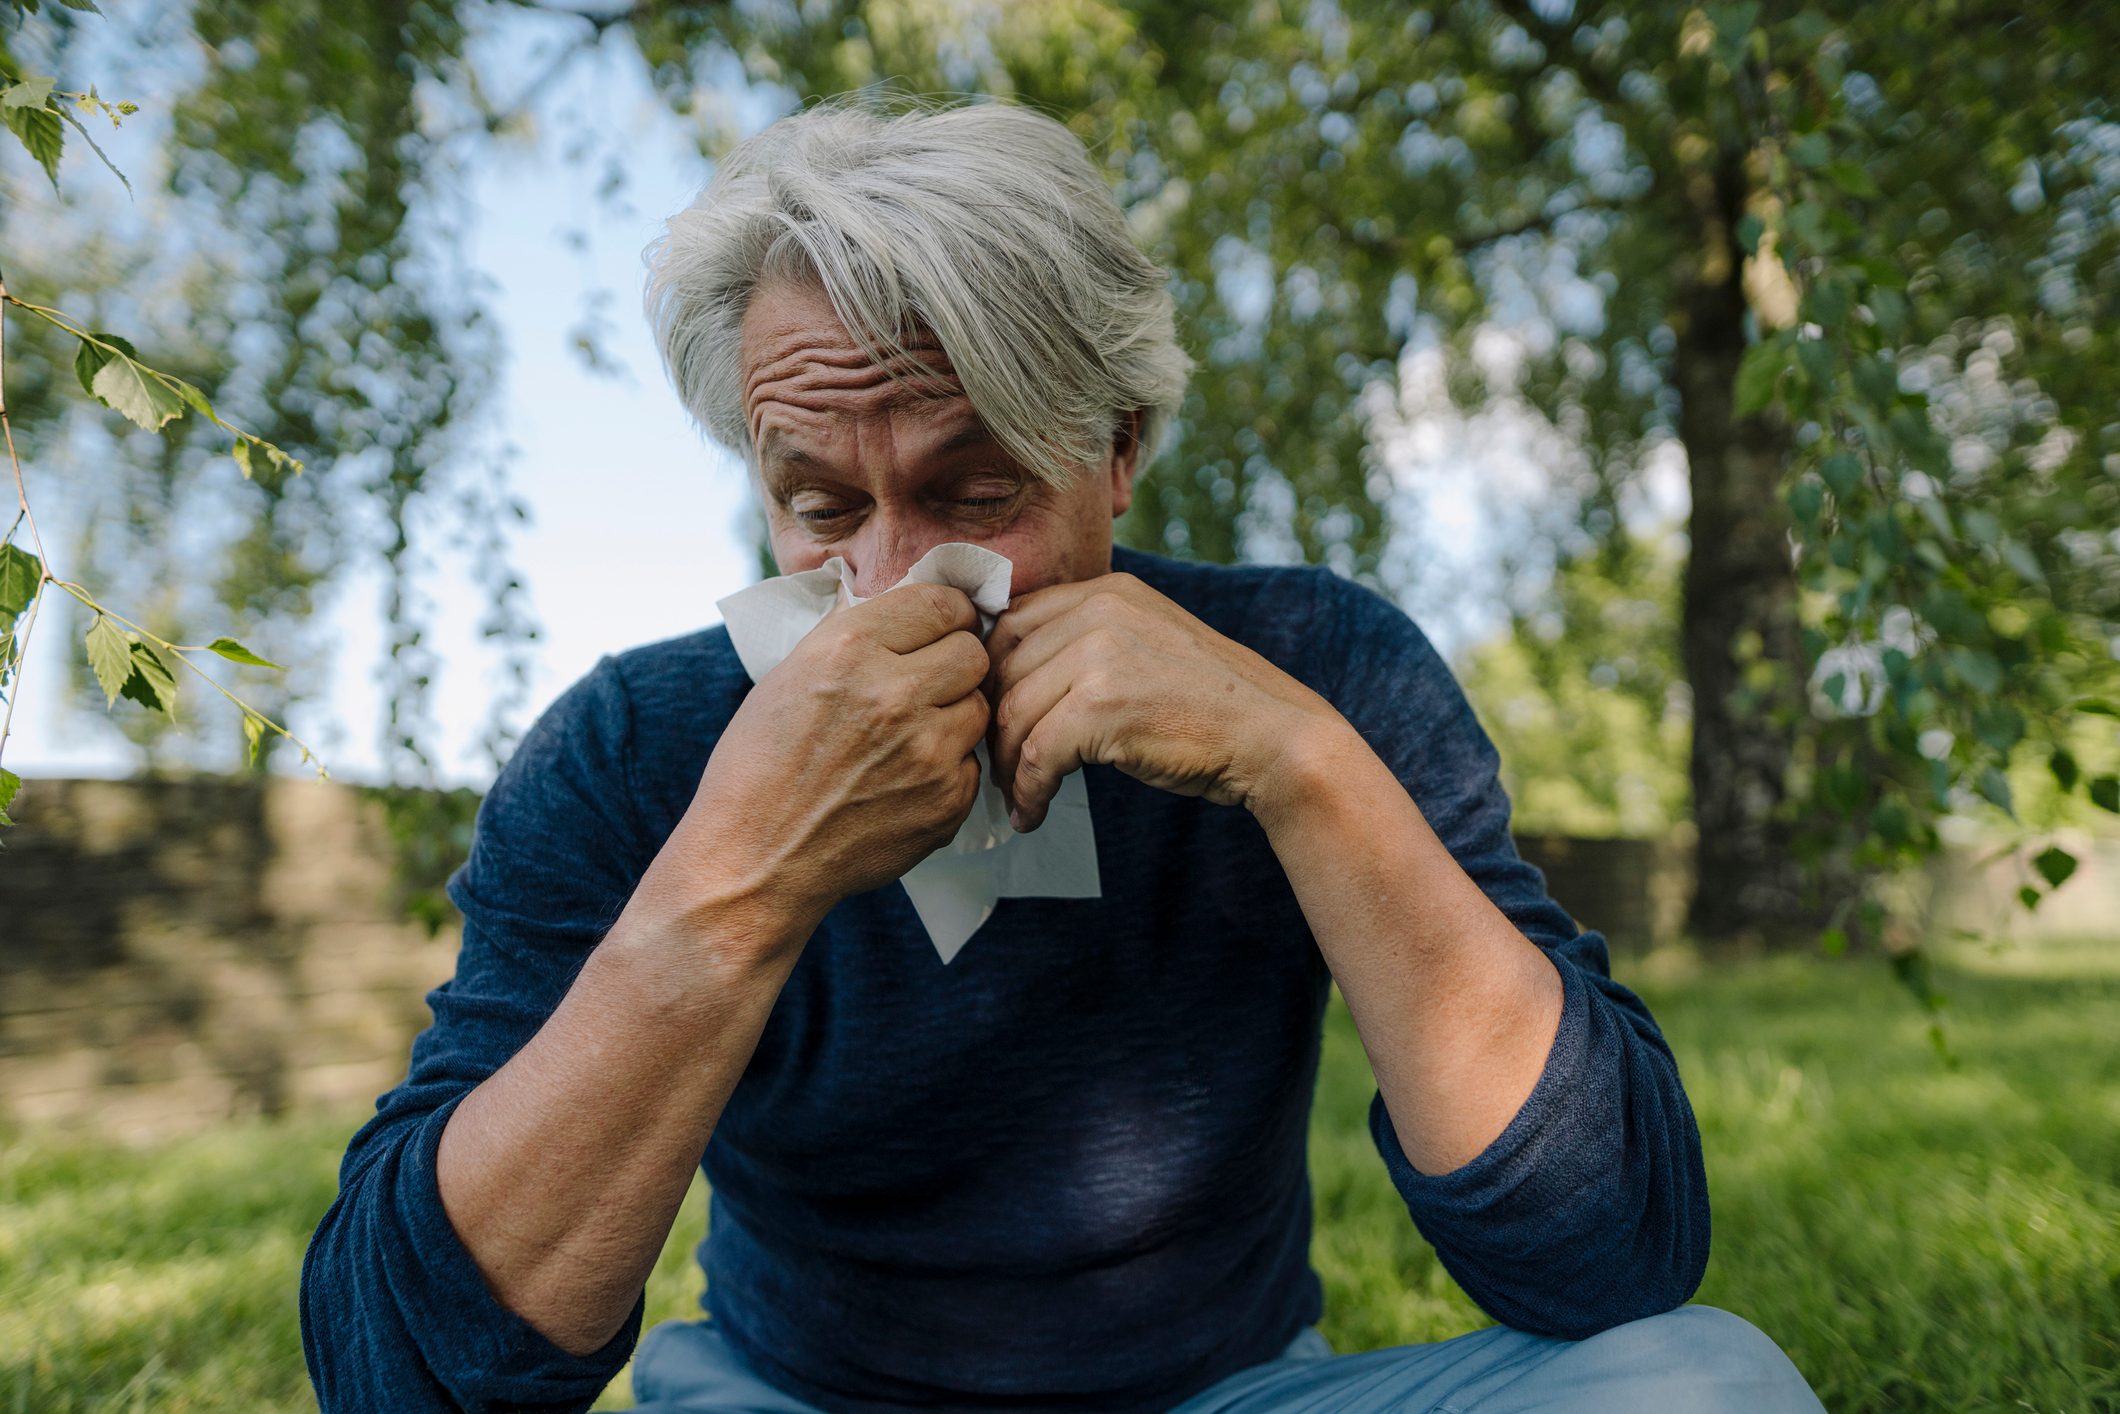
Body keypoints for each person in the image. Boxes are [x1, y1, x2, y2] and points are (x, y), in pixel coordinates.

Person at [299, 97, 1826, 1414]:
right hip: (794, 1393)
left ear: (1120, 446)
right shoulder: (633, 747)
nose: (896, 589)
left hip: (1230, 1389)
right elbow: (403, 1367)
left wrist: (1296, 761)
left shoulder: (1321, 664)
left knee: (1713, 1382)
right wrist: (738, 876)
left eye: (973, 492)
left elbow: (1609, 1245)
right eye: (823, 507)